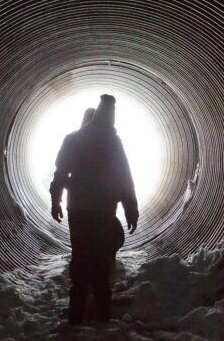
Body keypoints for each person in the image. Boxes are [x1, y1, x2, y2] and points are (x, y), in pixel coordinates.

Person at [50, 95, 137, 324]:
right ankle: (102, 315)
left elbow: (60, 173)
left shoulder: (74, 138)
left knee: (80, 256)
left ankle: (76, 314)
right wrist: (130, 208)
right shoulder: (113, 142)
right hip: (103, 210)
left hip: (78, 209)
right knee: (100, 258)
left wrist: (56, 200)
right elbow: (124, 178)